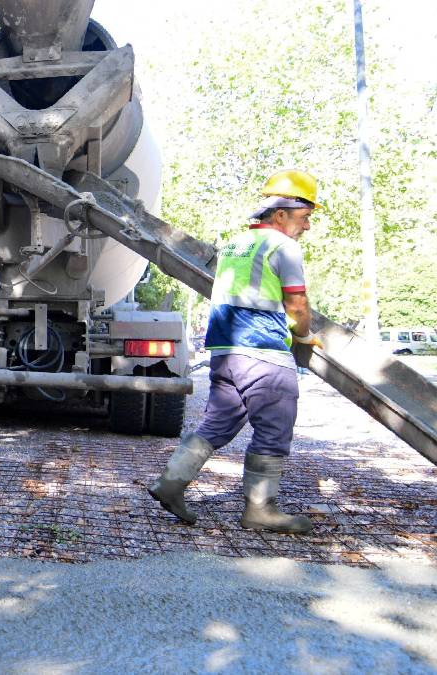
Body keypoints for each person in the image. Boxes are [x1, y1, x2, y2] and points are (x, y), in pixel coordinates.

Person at [148, 170, 324, 534]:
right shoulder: (284, 247)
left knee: (217, 424)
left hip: (226, 353)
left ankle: (171, 482)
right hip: (264, 354)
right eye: (305, 217)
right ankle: (261, 509)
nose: (306, 226)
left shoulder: (234, 245)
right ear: (281, 214)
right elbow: (297, 305)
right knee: (274, 430)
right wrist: (305, 337)